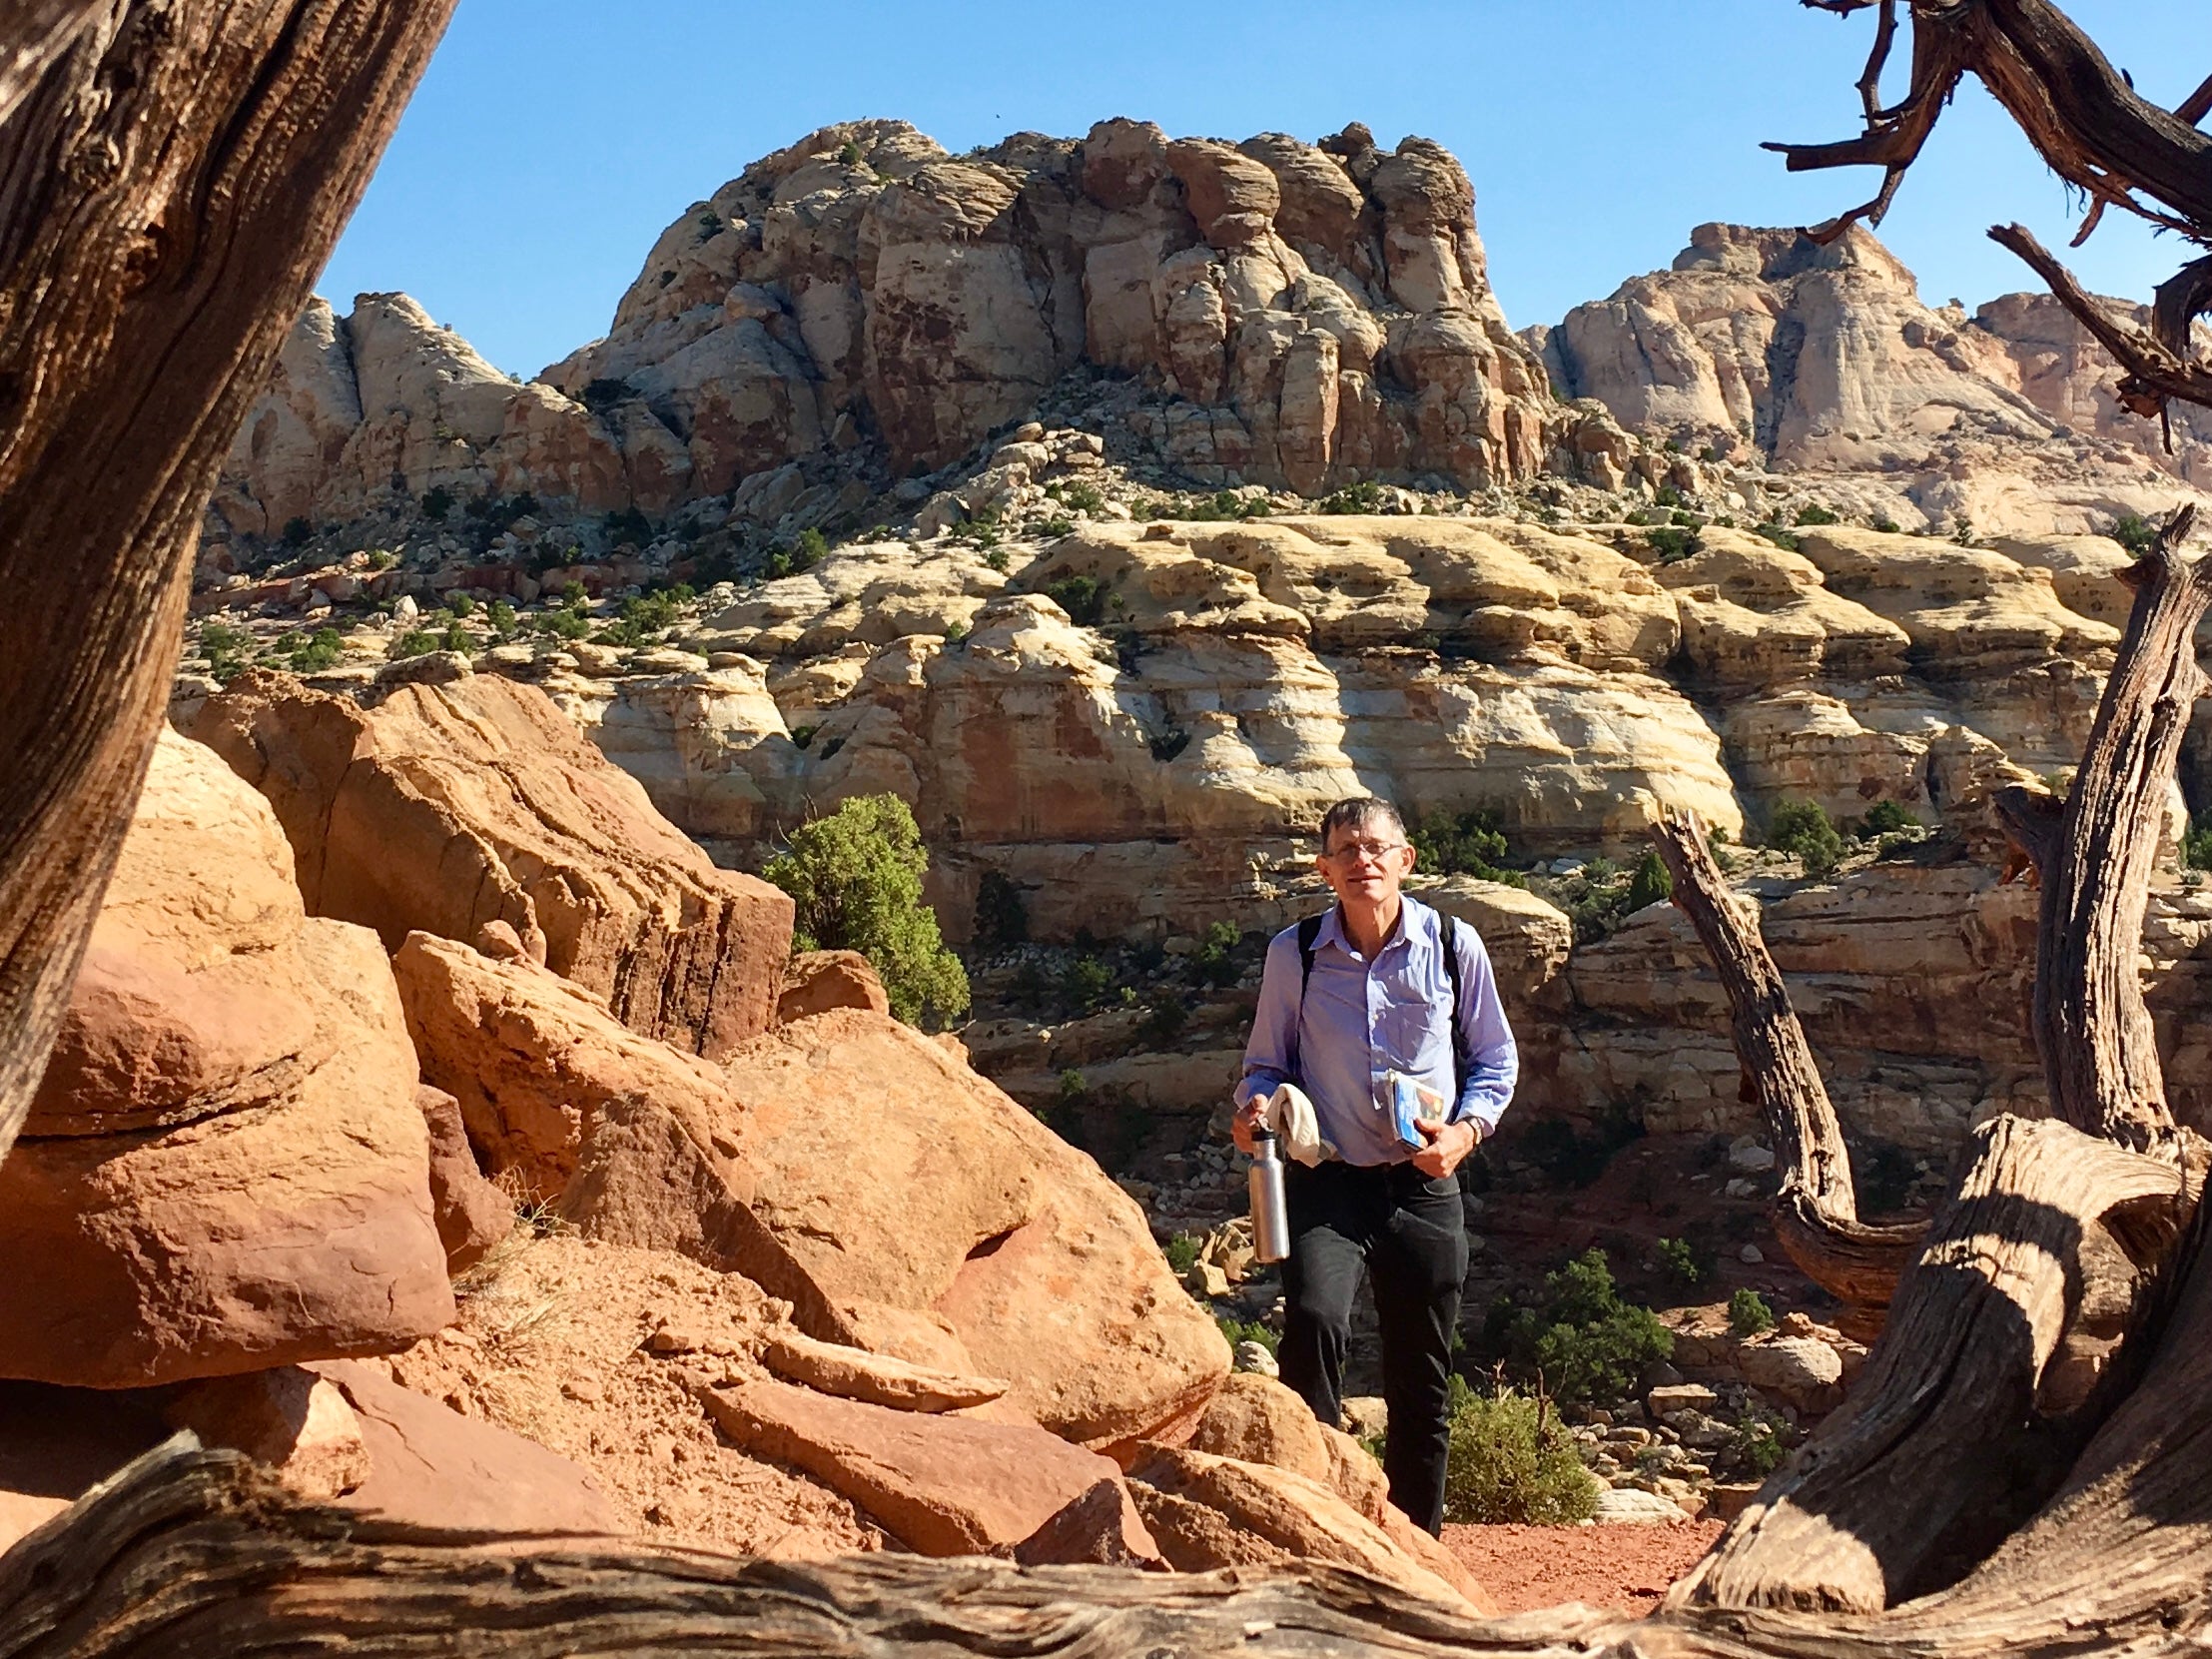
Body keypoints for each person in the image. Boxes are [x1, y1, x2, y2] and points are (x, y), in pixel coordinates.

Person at [1231, 796, 1517, 1534]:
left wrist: (1464, 1134)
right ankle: (1316, 1521)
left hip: (1424, 1184)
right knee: (1314, 1324)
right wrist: (1254, 1108)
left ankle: (1417, 1545)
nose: (1362, 859)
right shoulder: (1292, 952)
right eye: (1346, 849)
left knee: (1420, 1371)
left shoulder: (1454, 944)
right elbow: (1265, 1063)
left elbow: (1494, 1058)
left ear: (1404, 860)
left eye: (1375, 846)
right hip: (1328, 1180)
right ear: (1325, 868)